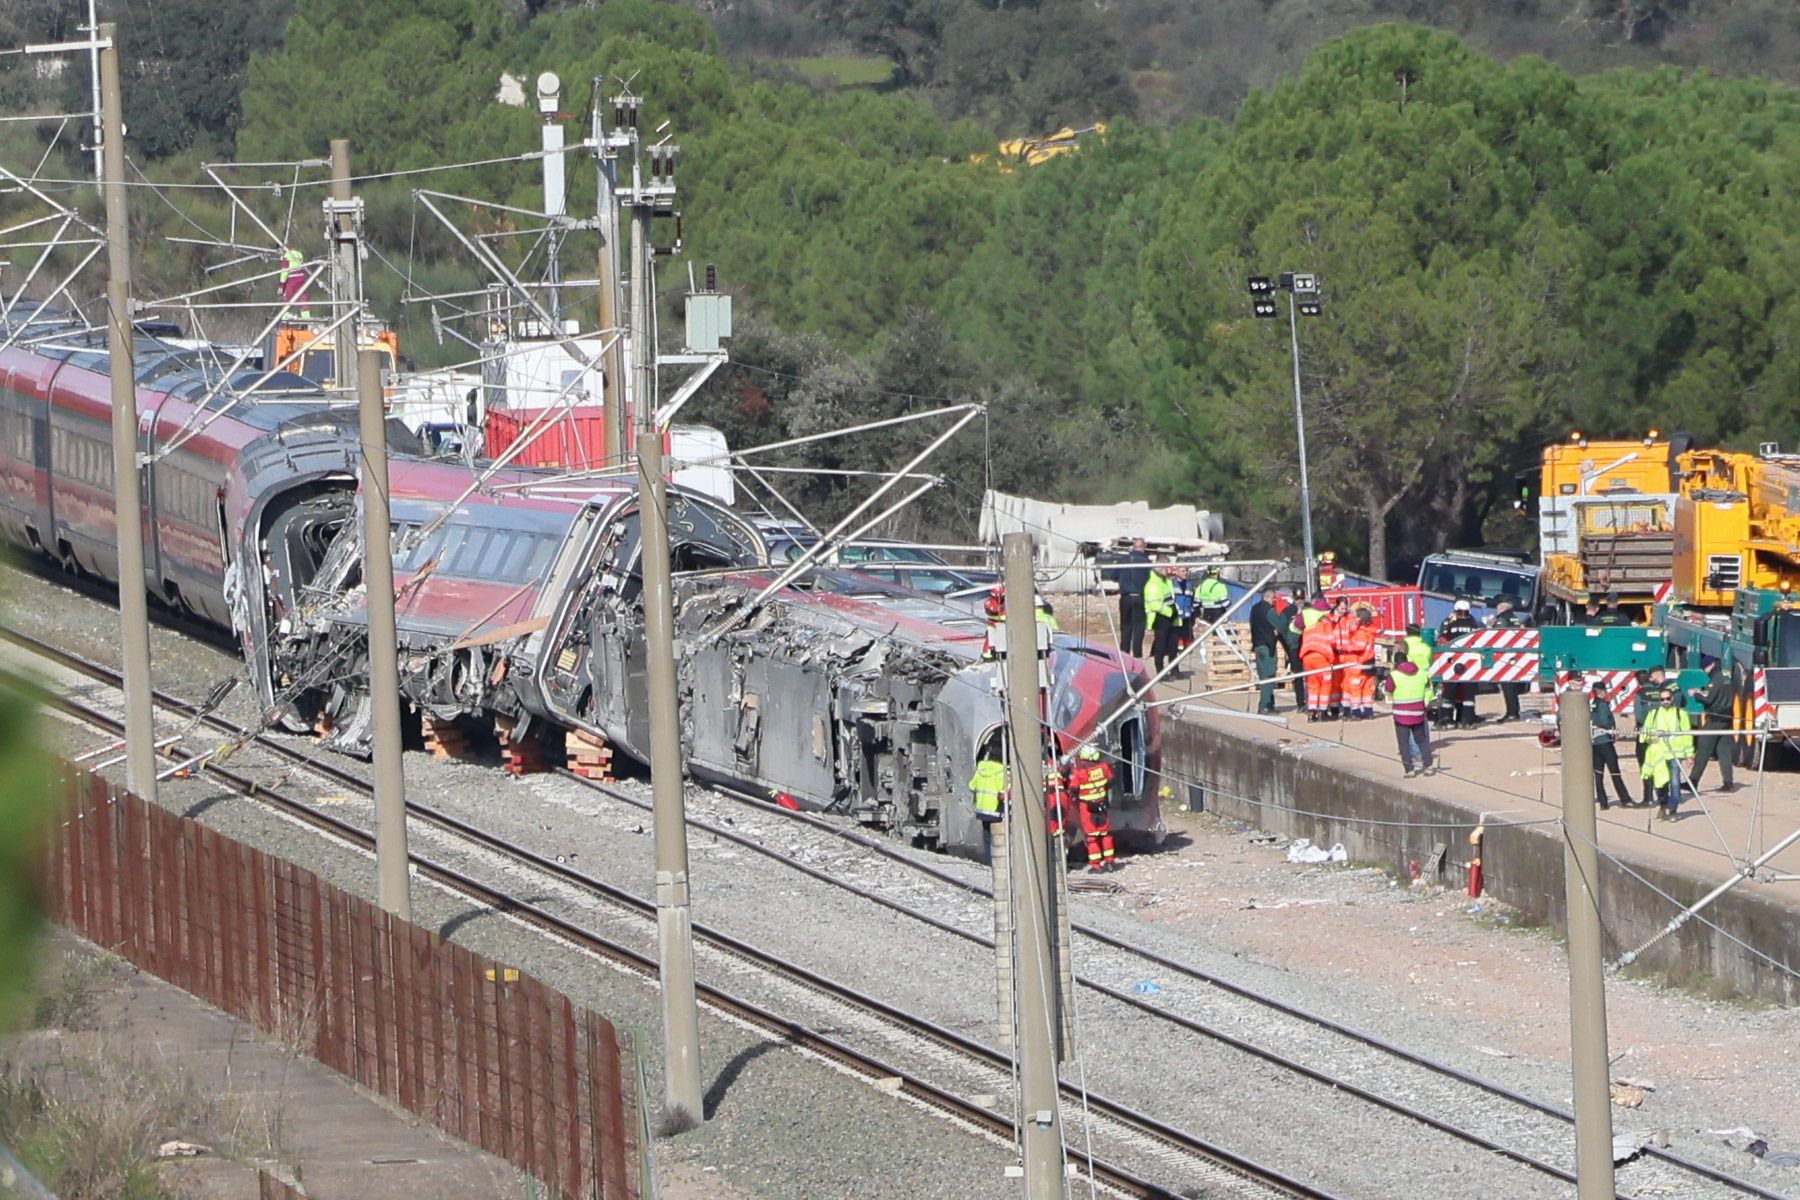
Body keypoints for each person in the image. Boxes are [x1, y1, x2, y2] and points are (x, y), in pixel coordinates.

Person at [1639, 687, 1695, 822]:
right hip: (1659, 755)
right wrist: (1649, 738)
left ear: (1672, 698)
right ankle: (1663, 804)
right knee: (1660, 783)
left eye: (1667, 698)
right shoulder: (1653, 714)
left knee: (1675, 783)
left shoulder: (1681, 714)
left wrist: (1689, 755)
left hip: (1674, 754)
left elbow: (1687, 735)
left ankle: (1673, 810)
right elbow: (1644, 732)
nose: (1665, 701)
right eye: (1662, 699)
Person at [1686, 657, 1738, 792]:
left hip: (1715, 720)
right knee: (1724, 751)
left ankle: (1693, 781)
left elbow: (1708, 699)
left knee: (1703, 749)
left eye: (1705, 668)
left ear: (1711, 665)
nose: (1705, 671)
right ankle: (1728, 782)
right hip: (1727, 719)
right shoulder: (1726, 679)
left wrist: (1696, 694)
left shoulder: (1715, 680)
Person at [1067, 745, 1116, 872]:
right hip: (1102, 806)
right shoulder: (1104, 768)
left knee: (1091, 837)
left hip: (1087, 809)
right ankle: (1110, 862)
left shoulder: (1080, 773)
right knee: (1105, 834)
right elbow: (1111, 781)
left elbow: (1072, 790)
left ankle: (1096, 865)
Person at [1384, 659, 1434, 776]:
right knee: (1422, 740)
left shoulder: (1394, 675)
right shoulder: (1422, 674)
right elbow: (1429, 691)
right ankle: (1428, 766)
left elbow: (1387, 692)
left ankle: (1409, 769)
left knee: (1404, 743)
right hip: (1418, 713)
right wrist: (1424, 704)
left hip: (1401, 715)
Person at [1588, 680, 1634, 809]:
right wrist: (1612, 730)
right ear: (1602, 692)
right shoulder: (1602, 705)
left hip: (1595, 743)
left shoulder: (1592, 705)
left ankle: (1603, 803)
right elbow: (1604, 721)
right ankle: (1625, 800)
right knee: (1614, 772)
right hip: (1605, 742)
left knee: (1598, 774)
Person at [1437, 599, 1481, 727]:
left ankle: (1446, 719)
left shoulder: (1447, 622)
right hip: (1471, 661)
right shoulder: (1474, 623)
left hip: (1452, 661)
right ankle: (1467, 721)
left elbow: (1442, 641)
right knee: (1469, 693)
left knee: (1449, 691)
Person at [1107, 538, 1151, 658]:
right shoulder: (1146, 562)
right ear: (1144, 547)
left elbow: (1113, 576)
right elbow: (1150, 579)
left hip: (1126, 597)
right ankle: (1137, 655)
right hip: (1140, 596)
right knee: (1138, 627)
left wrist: (1123, 580)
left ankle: (1124, 654)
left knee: (1126, 627)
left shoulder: (1123, 560)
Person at [1631, 666, 1668, 805]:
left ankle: (1648, 797)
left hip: (1645, 734)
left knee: (1645, 765)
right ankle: (1663, 796)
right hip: (1660, 733)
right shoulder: (1660, 692)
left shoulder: (1640, 694)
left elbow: (1639, 717)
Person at [1486, 599, 1527, 722]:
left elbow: (1497, 636)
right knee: (1511, 685)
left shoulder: (1501, 620)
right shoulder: (1516, 618)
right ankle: (1514, 711)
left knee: (1507, 685)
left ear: (1502, 608)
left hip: (1505, 655)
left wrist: (1490, 626)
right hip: (1516, 654)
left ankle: (1512, 713)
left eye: (1498, 608)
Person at [1298, 598, 1337, 721]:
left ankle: (1311, 712)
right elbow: (1332, 641)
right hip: (1322, 657)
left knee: (1312, 685)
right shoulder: (1326, 626)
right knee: (1325, 684)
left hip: (1307, 658)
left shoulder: (1309, 628)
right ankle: (1323, 712)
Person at [1340, 604, 1379, 718]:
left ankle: (1355, 711)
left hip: (1358, 665)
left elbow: (1359, 647)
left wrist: (1346, 646)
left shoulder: (1361, 633)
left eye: (1356, 617)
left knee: (1355, 689)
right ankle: (1368, 711)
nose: (1354, 619)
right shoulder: (1369, 632)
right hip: (1368, 664)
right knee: (1367, 689)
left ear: (1361, 619)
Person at [1249, 587, 1284, 714]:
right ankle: (1264, 705)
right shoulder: (1269, 611)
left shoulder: (1254, 609)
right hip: (1268, 646)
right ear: (1268, 597)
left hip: (1257, 645)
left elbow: (1252, 624)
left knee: (1263, 675)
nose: (1275, 601)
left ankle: (1269, 703)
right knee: (1269, 676)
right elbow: (1280, 625)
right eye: (1273, 598)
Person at [968, 754, 1008, 863]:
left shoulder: (981, 770)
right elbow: (1006, 790)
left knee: (986, 837)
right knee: (998, 837)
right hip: (996, 811)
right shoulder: (1001, 772)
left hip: (982, 810)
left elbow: (971, 786)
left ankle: (988, 862)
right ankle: (999, 861)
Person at [1144, 560, 1179, 673]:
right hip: (1160, 619)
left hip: (1170, 618)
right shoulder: (1153, 585)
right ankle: (1160, 670)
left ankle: (1174, 669)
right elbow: (1155, 605)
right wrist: (1170, 612)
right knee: (1161, 645)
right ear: (1159, 570)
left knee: (1173, 645)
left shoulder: (1164, 582)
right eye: (1166, 568)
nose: (1168, 570)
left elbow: (1170, 598)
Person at [1276, 591, 1304, 706]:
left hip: (1307, 646)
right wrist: (1288, 647)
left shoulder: (1308, 610)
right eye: (1297, 599)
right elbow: (1280, 630)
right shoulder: (1288, 611)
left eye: (1301, 598)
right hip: (1294, 648)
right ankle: (1300, 702)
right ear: (1293, 598)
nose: (1300, 601)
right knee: (1298, 674)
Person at [1169, 567, 1196, 676]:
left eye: (1186, 571)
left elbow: (1192, 600)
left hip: (1187, 617)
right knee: (1175, 643)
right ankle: (1174, 668)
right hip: (1176, 617)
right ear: (1176, 572)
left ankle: (1183, 653)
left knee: (1187, 640)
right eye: (1182, 571)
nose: (1185, 573)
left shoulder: (1189, 585)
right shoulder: (1172, 584)